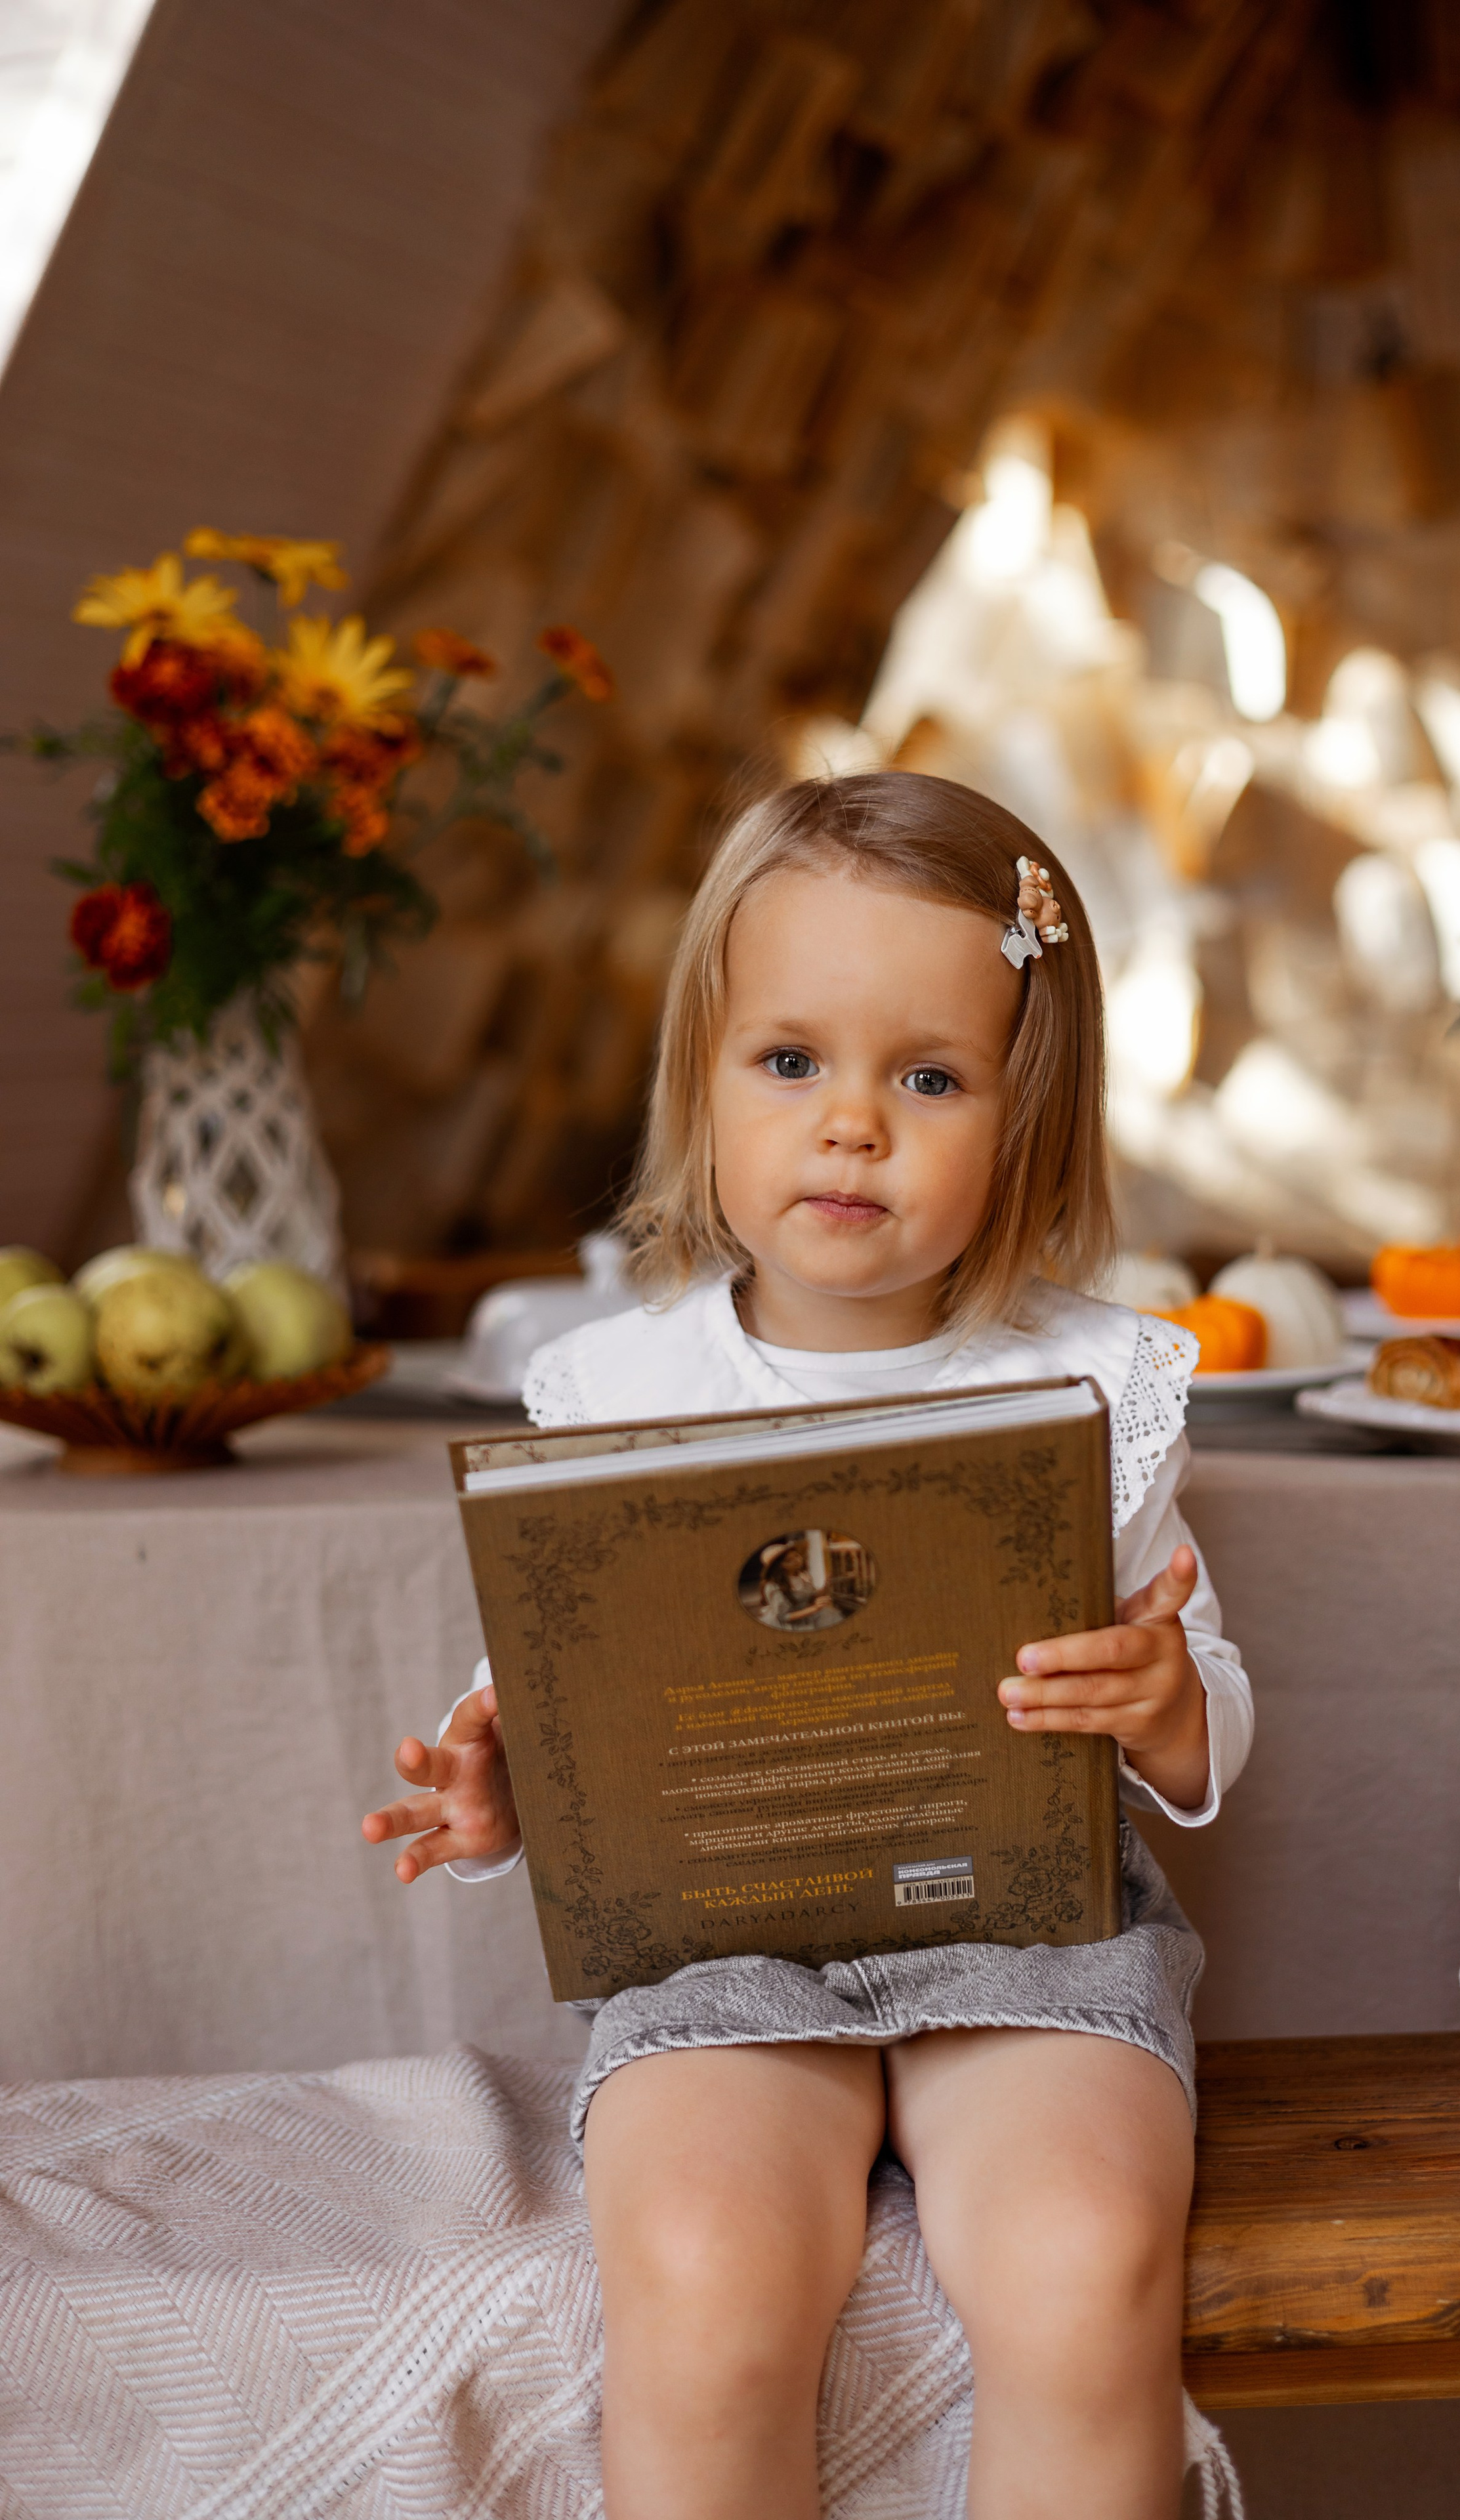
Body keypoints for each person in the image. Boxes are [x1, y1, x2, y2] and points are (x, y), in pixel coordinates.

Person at [362, 771, 1253, 2520]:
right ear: (705, 1082)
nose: (852, 1124)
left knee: (1084, 2266)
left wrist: (1166, 1706)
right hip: (722, 1950)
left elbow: (1206, 1689)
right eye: (791, 1062)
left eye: (928, 1077)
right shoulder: (616, 1389)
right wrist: (496, 1782)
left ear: (1023, 1116)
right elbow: (552, 1666)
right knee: (706, 2282)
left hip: (1026, 1930)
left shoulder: (1090, 1378)